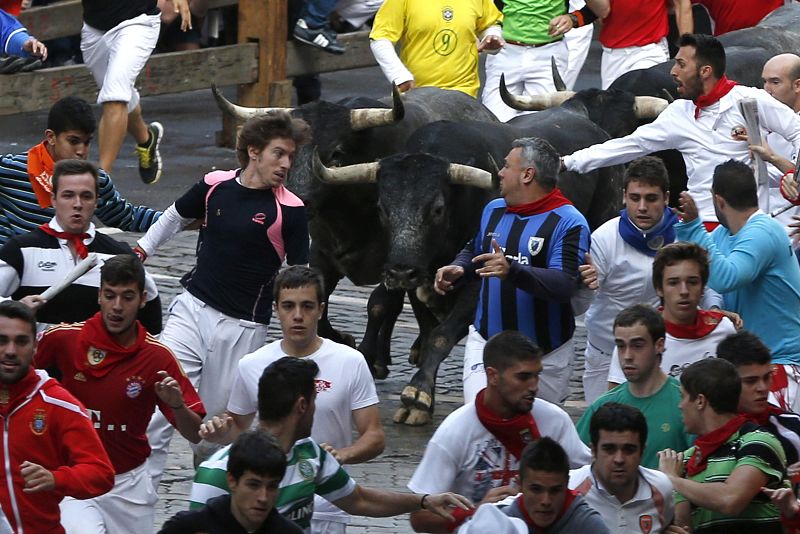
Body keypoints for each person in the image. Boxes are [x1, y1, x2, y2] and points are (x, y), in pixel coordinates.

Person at [142, 110, 311, 481]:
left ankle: (209, 504)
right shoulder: (215, 184)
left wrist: (300, 334)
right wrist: (142, 250)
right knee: (159, 405)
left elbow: (302, 278)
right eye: (278, 154)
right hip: (191, 309)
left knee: (214, 434)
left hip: (243, 329)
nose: (285, 164)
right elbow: (173, 216)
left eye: (290, 158)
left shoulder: (291, 211)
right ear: (253, 151)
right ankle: (136, 495)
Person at [202, 265, 385, 534]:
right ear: (276, 308)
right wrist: (221, 432)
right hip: (270, 506)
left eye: (307, 306)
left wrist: (342, 455)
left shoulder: (350, 361)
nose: (298, 316)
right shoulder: (252, 364)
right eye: (288, 306)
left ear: (321, 310)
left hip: (328, 507)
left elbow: (374, 435)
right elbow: (239, 427)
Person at [191, 357, 472, 532]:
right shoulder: (216, 472)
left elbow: (359, 500)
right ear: (303, 405)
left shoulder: (310, 455)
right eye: (315, 400)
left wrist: (423, 500)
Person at [33, 254, 204, 533]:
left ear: (143, 299)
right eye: (110, 295)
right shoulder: (63, 340)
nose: (117, 307)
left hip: (128, 485)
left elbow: (195, 433)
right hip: (75, 477)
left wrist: (179, 406)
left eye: (127, 297)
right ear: (99, 295)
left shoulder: (158, 358)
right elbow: (13, 371)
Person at [563, 33, 800, 228]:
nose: (673, 72)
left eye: (681, 64)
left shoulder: (752, 100)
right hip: (700, 227)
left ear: (705, 71)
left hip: (752, 226)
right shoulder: (678, 114)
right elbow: (628, 145)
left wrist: (796, 176)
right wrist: (568, 162)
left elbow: (798, 131)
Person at [435, 137, 590, 404]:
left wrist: (513, 271)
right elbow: (475, 247)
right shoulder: (493, 210)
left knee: (537, 439)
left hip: (545, 356)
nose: (500, 172)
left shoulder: (570, 222)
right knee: (482, 422)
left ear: (527, 175)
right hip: (486, 345)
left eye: (507, 166)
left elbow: (564, 284)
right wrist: (459, 267)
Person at [406, 330, 591, 533]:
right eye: (523, 377)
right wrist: (479, 512)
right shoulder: (454, 431)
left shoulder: (555, 421)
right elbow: (419, 516)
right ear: (493, 375)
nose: (534, 387)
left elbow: (591, 477)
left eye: (537, 375)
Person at [675, 159, 800, 412]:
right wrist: (715, 306)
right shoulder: (723, 235)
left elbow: (727, 277)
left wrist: (693, 227)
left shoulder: (763, 231)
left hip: (781, 366)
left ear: (718, 201)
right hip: (746, 366)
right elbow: (709, 282)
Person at [0, 159, 162, 333]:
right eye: (68, 195)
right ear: (53, 199)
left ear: (96, 201)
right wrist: (15, 309)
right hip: (39, 359)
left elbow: (151, 323)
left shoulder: (119, 256)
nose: (77, 204)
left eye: (86, 196)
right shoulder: (21, 250)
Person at [0, 300, 115, 533]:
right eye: (2, 340)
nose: (10, 351)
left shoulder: (58, 404)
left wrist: (56, 479)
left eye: (21, 341)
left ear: (35, 347)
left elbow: (101, 473)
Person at [573, 156, 678, 402]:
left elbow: (704, 289)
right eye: (635, 198)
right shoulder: (604, 238)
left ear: (666, 198)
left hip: (659, 354)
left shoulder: (683, 236)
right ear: (623, 196)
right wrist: (586, 287)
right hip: (605, 349)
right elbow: (578, 307)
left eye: (651, 198)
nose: (642, 207)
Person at [0, 96, 162, 246]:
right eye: (73, 141)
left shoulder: (94, 180)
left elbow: (126, 217)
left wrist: (177, 217)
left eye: (86, 143)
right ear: (51, 137)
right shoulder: (13, 168)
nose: (81, 151)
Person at [658, 358, 787, 532]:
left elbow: (730, 500)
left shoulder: (759, 441)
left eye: (683, 397)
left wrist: (672, 479)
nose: (680, 406)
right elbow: (685, 526)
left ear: (700, 401)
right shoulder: (686, 459)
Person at [80, 0, 189, 183]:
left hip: (138, 21)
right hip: (94, 28)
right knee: (120, 93)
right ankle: (146, 138)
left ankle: (101, 183)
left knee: (115, 98)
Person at [606, 242, 736, 386]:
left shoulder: (723, 329)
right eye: (673, 283)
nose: (684, 291)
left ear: (703, 287)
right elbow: (615, 397)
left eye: (692, 282)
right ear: (659, 288)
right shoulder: (637, 336)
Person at [577, 305, 692, 469]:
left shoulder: (685, 404)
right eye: (621, 346)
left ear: (659, 345)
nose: (627, 356)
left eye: (637, 345)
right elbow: (574, 463)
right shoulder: (601, 407)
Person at [159, 430, 303, 534]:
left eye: (272, 486)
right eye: (253, 485)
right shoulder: (189, 527)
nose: (263, 497)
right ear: (232, 481)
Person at [571, 403, 675, 533]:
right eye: (609, 449)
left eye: (629, 449)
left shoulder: (661, 488)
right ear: (593, 451)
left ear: (642, 451)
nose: (619, 459)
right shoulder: (570, 489)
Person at [369, 0, 502, 96]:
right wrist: (399, 76)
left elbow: (490, 24)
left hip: (463, 93)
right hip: (417, 96)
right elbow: (380, 39)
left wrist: (492, 36)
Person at [551, 0, 692, 89]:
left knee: (644, 109)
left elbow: (682, 5)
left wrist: (687, 48)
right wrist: (573, 18)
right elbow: (602, 10)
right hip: (612, 55)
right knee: (613, 117)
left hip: (648, 51)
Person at [716, 331, 800, 472]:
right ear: (726, 382)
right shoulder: (707, 431)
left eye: (767, 377)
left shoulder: (792, 426)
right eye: (751, 381)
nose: (763, 388)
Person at [490, 438, 610, 532]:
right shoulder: (499, 526)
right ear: (520, 484)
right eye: (536, 490)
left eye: (555, 491)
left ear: (567, 484)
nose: (546, 501)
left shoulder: (589, 527)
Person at [479, 0, 569, 121]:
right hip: (505, 49)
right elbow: (485, 11)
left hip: (548, 52)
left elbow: (599, 10)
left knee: (541, 123)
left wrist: (573, 18)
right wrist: (491, 33)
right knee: (495, 121)